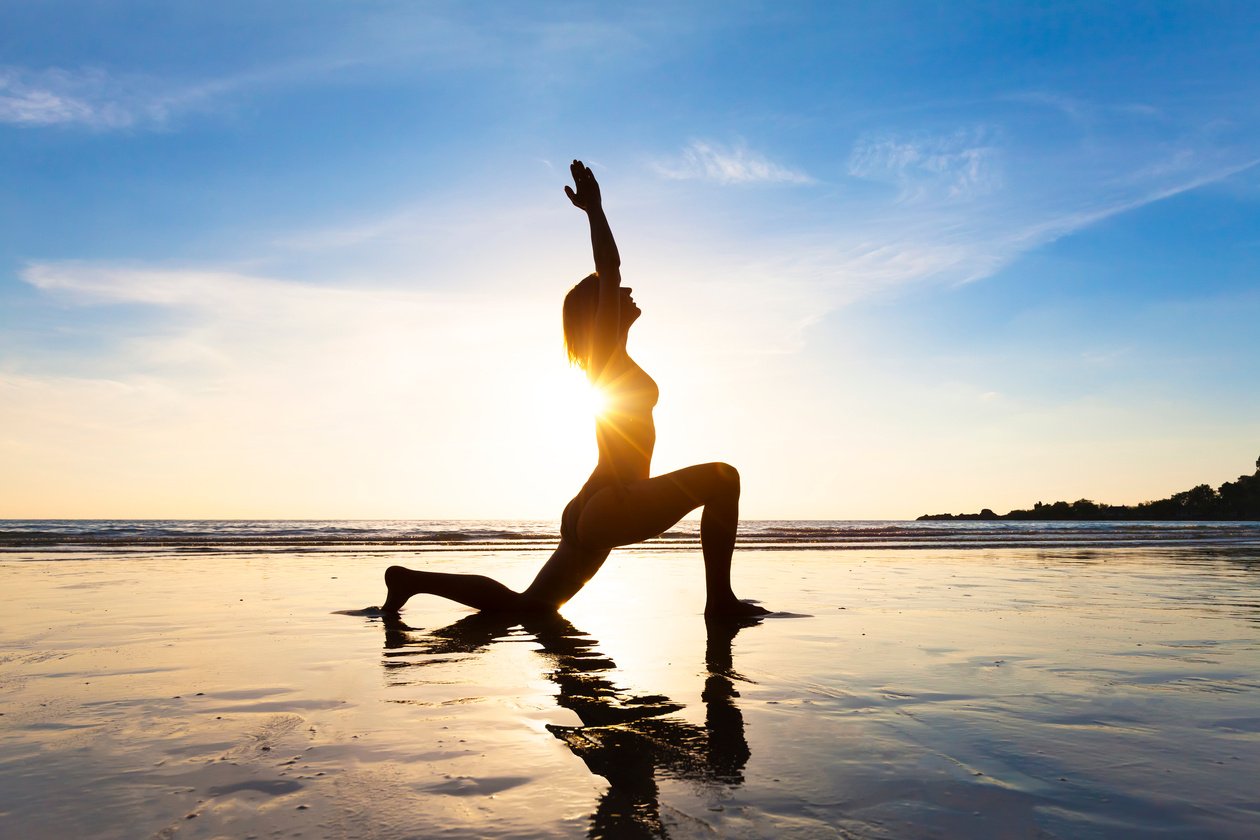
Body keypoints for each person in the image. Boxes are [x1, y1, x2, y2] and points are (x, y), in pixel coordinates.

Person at [378, 160, 767, 617]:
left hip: (595, 501)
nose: (626, 292)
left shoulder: (611, 361)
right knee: (724, 478)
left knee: (531, 608)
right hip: (616, 501)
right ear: (598, 313)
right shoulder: (605, 355)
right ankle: (719, 601)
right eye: (613, 294)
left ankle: (409, 581)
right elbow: (611, 264)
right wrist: (595, 211)